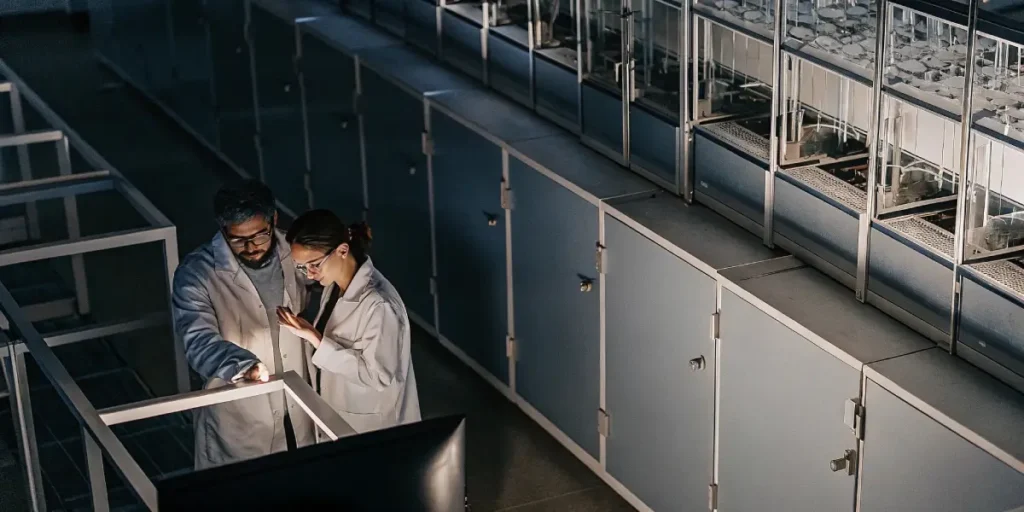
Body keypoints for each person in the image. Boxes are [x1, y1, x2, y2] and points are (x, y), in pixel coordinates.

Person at [171, 180, 315, 470]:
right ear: (222, 228)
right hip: (241, 420)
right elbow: (198, 342)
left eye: (260, 235)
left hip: (299, 407)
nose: (251, 247)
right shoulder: (196, 275)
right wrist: (241, 365)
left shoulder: (294, 252)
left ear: (274, 219)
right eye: (237, 240)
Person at [277, 210, 421, 434]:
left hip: (372, 425)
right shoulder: (335, 285)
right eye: (302, 267)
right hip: (338, 411)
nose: (310, 274)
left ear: (342, 250)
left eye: (314, 264)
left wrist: (317, 340)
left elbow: (378, 376)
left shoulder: (379, 304)